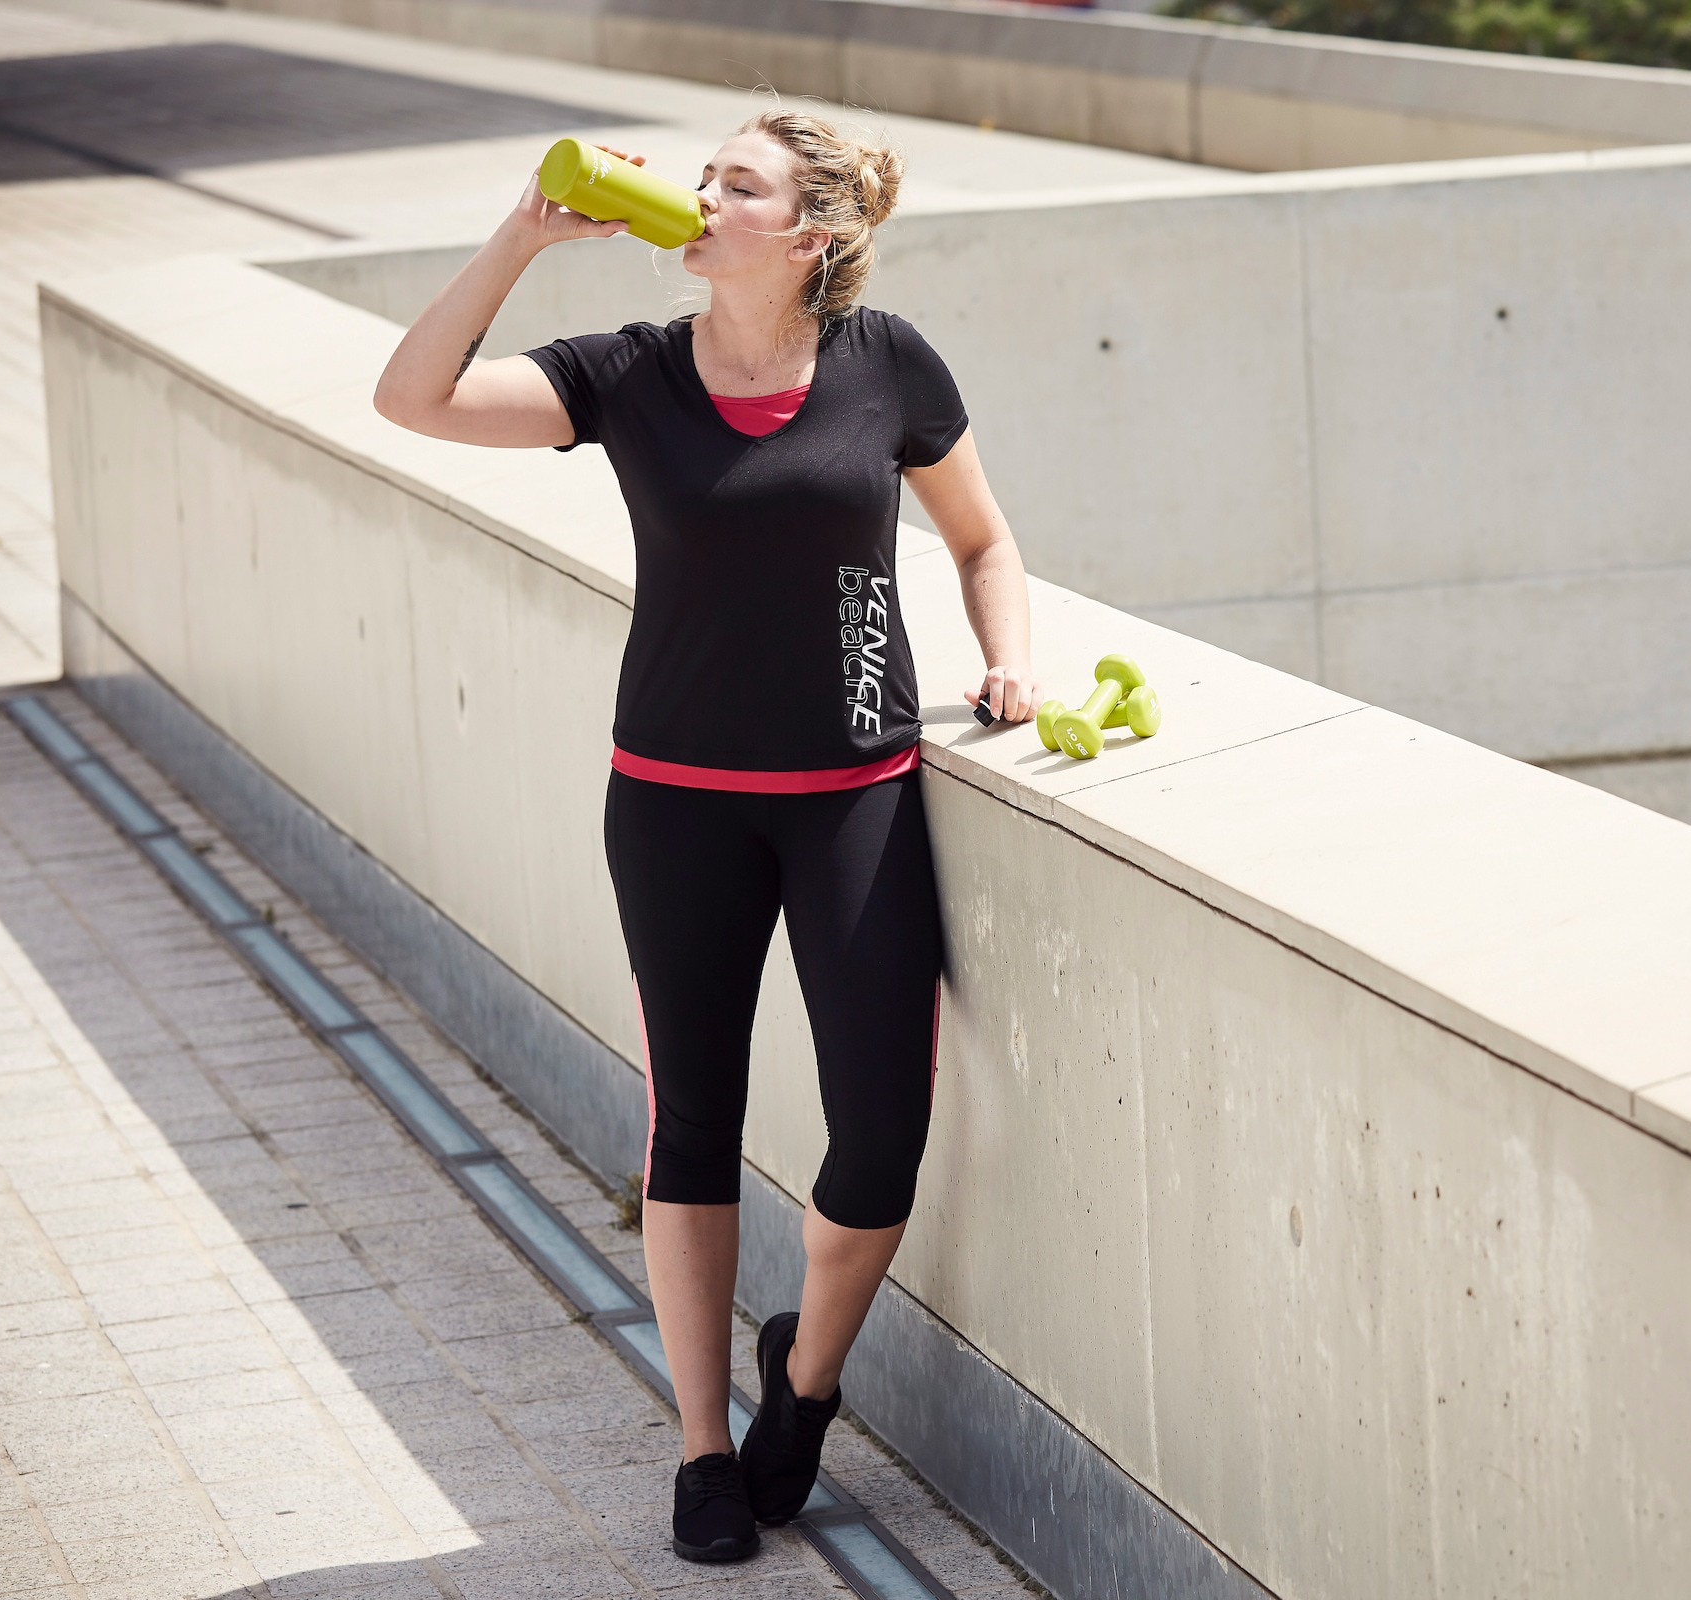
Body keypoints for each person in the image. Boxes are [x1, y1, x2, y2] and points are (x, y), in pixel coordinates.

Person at [372, 109, 1038, 1564]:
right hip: (673, 800)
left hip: (855, 795)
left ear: (809, 237)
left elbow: (984, 539)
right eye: (706, 171)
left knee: (880, 1136)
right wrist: (519, 241)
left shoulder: (888, 363)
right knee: (695, 1132)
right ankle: (701, 1450)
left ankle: (801, 1387)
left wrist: (1009, 661)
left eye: (737, 183)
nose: (698, 192)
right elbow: (410, 399)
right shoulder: (627, 371)